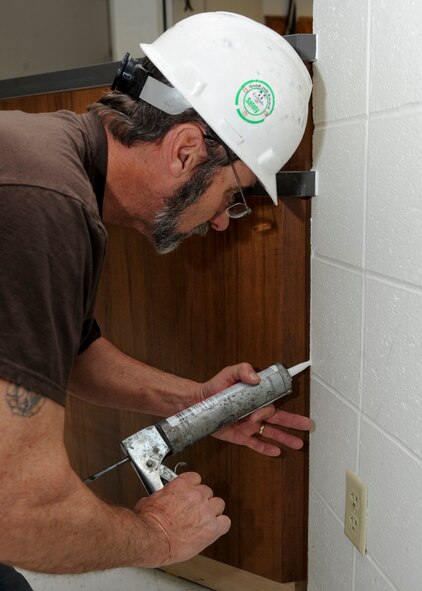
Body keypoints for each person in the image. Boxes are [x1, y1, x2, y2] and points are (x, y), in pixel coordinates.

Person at [0, 10, 313, 582]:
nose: (222, 222)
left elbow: (71, 350)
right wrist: (160, 536)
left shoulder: (52, 161)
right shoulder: (45, 205)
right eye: (232, 194)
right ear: (187, 150)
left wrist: (195, 403)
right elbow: (19, 513)